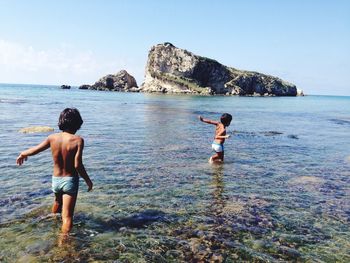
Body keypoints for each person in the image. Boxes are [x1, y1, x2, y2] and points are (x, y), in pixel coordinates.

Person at [16, 108, 93, 235]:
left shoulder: (52, 138)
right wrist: (88, 181)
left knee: (57, 203)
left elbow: (36, 149)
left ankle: (52, 224)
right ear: (77, 123)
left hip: (56, 180)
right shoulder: (78, 140)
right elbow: (78, 165)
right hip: (70, 181)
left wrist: (23, 154)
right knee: (67, 217)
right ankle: (63, 245)